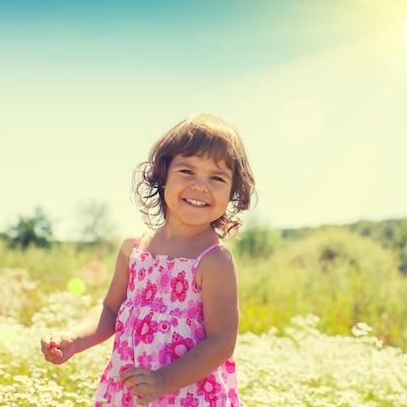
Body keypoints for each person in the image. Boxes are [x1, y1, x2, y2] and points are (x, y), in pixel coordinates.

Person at [41, 114, 256, 406]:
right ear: (162, 176)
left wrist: (163, 380)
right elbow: (109, 310)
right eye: (187, 171)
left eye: (217, 178)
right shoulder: (135, 248)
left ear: (232, 193)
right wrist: (75, 339)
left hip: (188, 395)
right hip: (131, 392)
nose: (201, 186)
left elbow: (221, 342)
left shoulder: (214, 261)